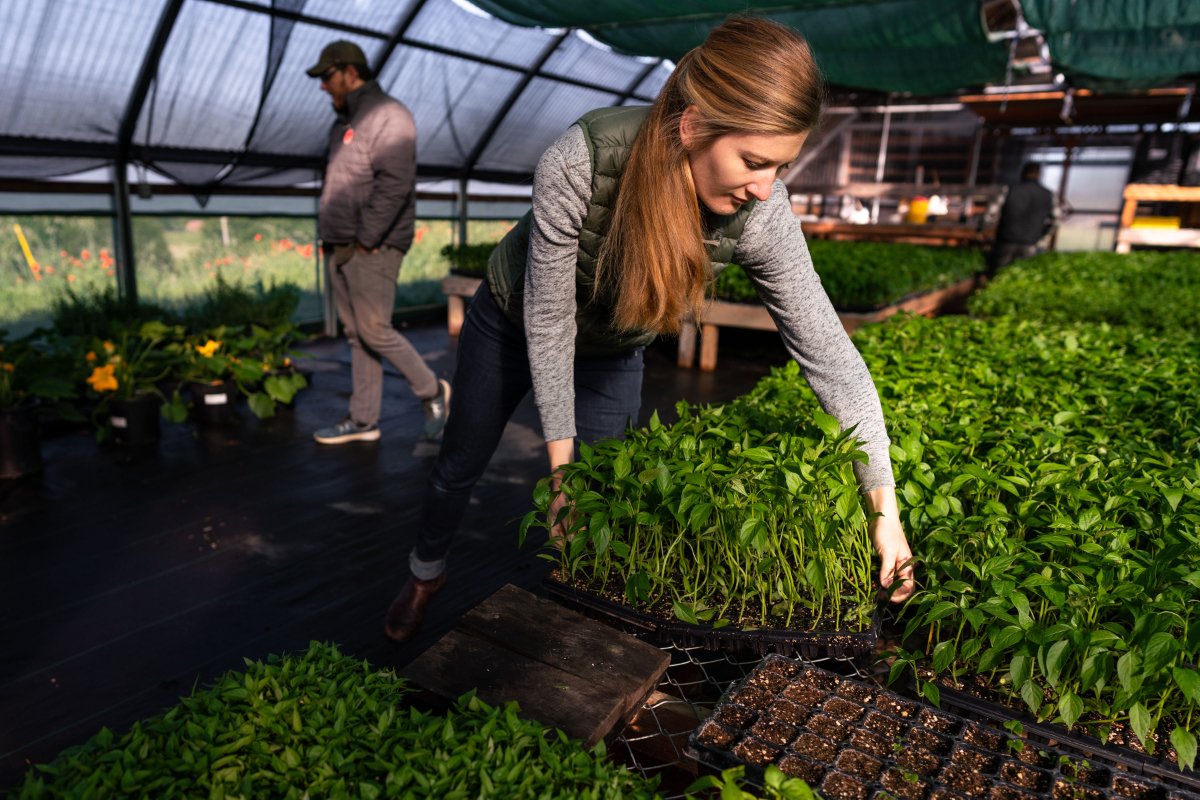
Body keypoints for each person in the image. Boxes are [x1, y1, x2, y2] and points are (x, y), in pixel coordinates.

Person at [383, 17, 915, 642]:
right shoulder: (581, 162)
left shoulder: (764, 214)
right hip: (511, 316)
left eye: (782, 167)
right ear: (693, 126)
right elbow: (549, 321)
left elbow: (831, 357)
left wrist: (885, 507)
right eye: (752, 161)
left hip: (615, 347)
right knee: (460, 463)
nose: (766, 188)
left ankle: (571, 634)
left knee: (600, 499)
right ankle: (426, 571)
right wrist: (560, 470)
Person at [306, 41, 450, 444]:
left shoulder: (388, 114)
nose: (323, 87)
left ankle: (433, 391)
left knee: (374, 328)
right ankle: (363, 420)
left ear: (351, 72)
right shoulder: (345, 123)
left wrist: (367, 240)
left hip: (371, 246)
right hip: (341, 245)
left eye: (327, 77)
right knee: (358, 335)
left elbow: (394, 184)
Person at [987, 161, 1057, 278]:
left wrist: (986, 231)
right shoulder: (1048, 195)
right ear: (1039, 174)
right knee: (1020, 277)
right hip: (1030, 243)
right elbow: (1056, 220)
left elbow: (990, 215)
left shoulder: (1008, 190)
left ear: (1022, 173)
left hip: (1006, 241)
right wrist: (1043, 235)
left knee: (997, 276)